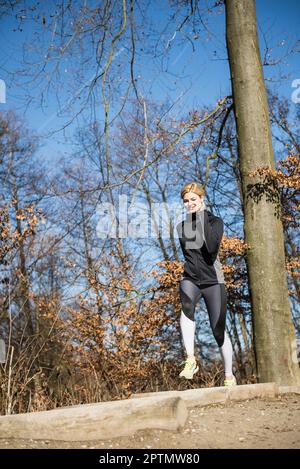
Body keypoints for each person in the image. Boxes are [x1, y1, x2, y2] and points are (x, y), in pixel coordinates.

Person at [176, 182, 236, 386]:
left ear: (202, 199)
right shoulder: (181, 227)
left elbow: (210, 248)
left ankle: (229, 376)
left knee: (218, 331)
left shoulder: (215, 222)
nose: (189, 203)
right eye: (186, 200)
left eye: (193, 199)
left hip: (213, 280)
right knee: (186, 305)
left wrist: (201, 217)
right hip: (191, 278)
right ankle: (190, 359)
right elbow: (191, 254)